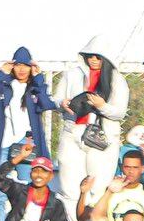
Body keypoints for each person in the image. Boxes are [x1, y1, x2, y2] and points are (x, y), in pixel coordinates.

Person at [0, 48, 57, 221]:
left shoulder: (33, 89)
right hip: (3, 145)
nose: (21, 70)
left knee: (29, 193)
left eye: (25, 66)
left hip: (27, 145)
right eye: (18, 65)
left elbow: (47, 103)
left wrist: (39, 79)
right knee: (0, 195)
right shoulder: (4, 86)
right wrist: (1, 74)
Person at [52, 43, 130, 204]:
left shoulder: (116, 79)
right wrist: (62, 103)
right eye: (90, 56)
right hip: (73, 132)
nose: (93, 60)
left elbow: (120, 112)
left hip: (101, 137)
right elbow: (56, 99)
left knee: (98, 186)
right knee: (70, 184)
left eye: (98, 56)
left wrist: (102, 106)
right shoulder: (72, 74)